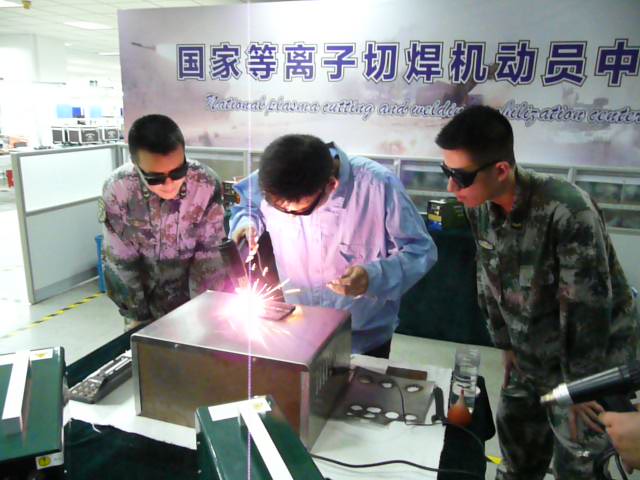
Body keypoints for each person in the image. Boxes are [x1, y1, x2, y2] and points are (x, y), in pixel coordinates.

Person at [435, 105, 638, 479]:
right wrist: (506, 344)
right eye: (446, 172)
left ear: (501, 170)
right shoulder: (479, 208)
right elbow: (488, 278)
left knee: (579, 464)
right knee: (516, 450)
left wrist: (580, 388)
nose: (451, 188)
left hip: (591, 364)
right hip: (531, 356)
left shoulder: (568, 210)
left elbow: (588, 308)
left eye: (460, 177)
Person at [229, 134, 437, 357]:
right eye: (279, 209)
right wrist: (246, 223)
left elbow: (420, 250)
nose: (288, 216)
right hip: (298, 328)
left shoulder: (377, 185)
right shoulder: (278, 175)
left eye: (298, 211)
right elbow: (248, 206)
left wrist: (373, 277)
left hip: (360, 340)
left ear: (331, 185)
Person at [101, 114, 228, 329]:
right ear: (136, 164)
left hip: (195, 299)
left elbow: (209, 255)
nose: (169, 184)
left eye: (178, 172)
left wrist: (203, 311)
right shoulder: (119, 189)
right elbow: (120, 260)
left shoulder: (205, 183)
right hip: (144, 303)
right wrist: (136, 316)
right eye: (156, 178)